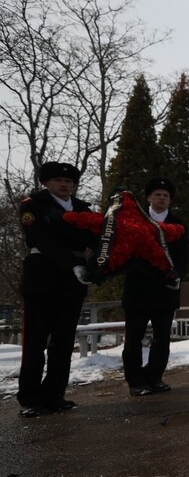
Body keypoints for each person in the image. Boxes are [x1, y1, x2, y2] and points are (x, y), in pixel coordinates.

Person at [16, 162, 97, 417]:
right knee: (35, 341)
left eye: (69, 181)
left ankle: (54, 394)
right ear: (46, 183)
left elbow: (94, 240)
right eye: (58, 180)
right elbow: (43, 240)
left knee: (63, 342)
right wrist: (73, 263)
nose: (64, 184)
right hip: (42, 277)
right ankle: (30, 398)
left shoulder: (83, 209)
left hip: (72, 282)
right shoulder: (32, 205)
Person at [121, 178, 189, 396]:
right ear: (148, 197)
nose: (161, 198)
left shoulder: (178, 224)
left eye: (166, 195)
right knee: (134, 338)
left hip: (165, 290)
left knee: (162, 338)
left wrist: (178, 275)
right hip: (138, 290)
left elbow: (183, 258)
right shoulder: (135, 221)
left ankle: (154, 376)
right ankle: (135, 381)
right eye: (157, 194)